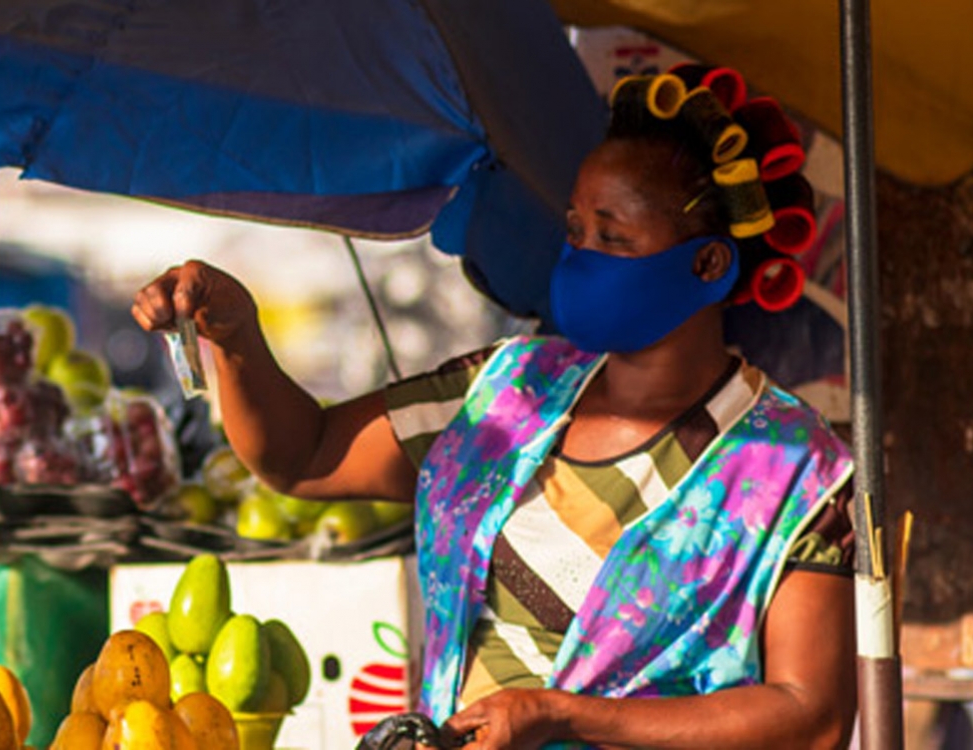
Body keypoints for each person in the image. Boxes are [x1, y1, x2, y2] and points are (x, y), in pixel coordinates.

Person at [135, 69, 854, 749]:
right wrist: (235, 336)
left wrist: (558, 712)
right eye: (576, 231)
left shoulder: (795, 473)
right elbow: (306, 454)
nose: (580, 256)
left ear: (707, 266)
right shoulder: (506, 394)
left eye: (614, 238)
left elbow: (809, 713)